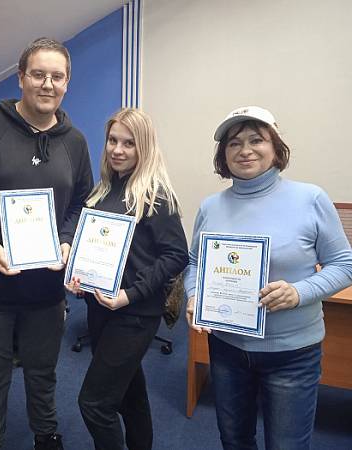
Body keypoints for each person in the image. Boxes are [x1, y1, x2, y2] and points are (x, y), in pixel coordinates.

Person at [184, 106, 352, 450]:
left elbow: (344, 264)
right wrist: (194, 294)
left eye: (256, 140)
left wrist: (299, 292)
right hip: (227, 348)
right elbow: (195, 262)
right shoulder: (210, 206)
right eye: (234, 143)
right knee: (234, 440)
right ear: (223, 155)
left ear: (275, 148)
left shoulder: (311, 199)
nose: (244, 150)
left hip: (292, 353)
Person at [0, 37, 93, 450]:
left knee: (42, 372)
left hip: (46, 288)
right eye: (38, 74)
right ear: (21, 78)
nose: (47, 84)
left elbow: (81, 203)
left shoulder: (75, 142)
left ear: (67, 83)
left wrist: (67, 240)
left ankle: (46, 436)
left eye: (57, 76)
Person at [66, 108, 188, 450]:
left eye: (129, 143)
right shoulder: (103, 191)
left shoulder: (155, 195)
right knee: (129, 396)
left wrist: (131, 294)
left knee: (94, 403)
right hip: (100, 309)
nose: (117, 150)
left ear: (144, 147)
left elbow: (176, 255)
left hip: (133, 315)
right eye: (112, 140)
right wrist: (80, 276)